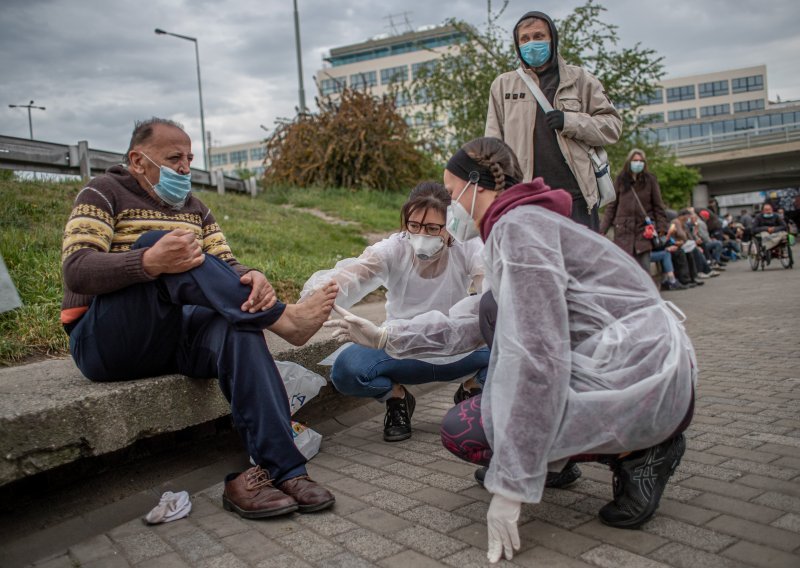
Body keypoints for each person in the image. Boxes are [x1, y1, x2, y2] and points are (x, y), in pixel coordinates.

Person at [325, 137, 695, 563]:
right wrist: (385, 337)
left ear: (474, 187)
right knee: (489, 317)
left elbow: (540, 361)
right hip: (638, 371)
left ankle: (642, 452)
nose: (449, 208)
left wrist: (513, 485)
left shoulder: (519, 233)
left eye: (451, 192)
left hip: (648, 387)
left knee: (465, 427)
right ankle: (561, 459)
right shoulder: (518, 226)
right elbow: (474, 319)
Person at [61, 117, 339, 519]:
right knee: (160, 244)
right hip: (107, 342)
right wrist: (148, 261)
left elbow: (227, 268)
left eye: (190, 158)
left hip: (174, 339)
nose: (186, 168)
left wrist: (251, 276)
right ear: (139, 161)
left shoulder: (196, 209)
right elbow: (78, 268)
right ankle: (283, 320)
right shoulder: (103, 192)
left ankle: (284, 470)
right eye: (174, 158)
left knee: (237, 325)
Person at [301, 182, 489, 442]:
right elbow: (347, 278)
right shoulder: (392, 249)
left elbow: (491, 294)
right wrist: (307, 305)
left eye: (433, 228)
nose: (422, 235)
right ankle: (397, 398)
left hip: (457, 350)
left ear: (450, 227)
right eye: (414, 226)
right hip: (401, 350)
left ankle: (472, 389)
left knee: (514, 350)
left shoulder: (468, 247)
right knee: (346, 371)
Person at [485, 10, 622, 231]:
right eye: (525, 39)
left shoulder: (580, 80)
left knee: (581, 264)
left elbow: (612, 127)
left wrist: (571, 121)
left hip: (576, 198)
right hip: (526, 199)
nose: (532, 44)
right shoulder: (502, 86)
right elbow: (492, 145)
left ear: (553, 39)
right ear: (517, 45)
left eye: (539, 37)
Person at [600, 148, 668, 272]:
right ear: (629, 162)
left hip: (644, 231)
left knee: (644, 270)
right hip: (623, 231)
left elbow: (658, 207)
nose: (638, 163)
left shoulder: (650, 180)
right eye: (635, 160)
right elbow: (611, 207)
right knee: (626, 271)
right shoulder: (620, 180)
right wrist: (602, 229)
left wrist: (661, 229)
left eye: (641, 161)